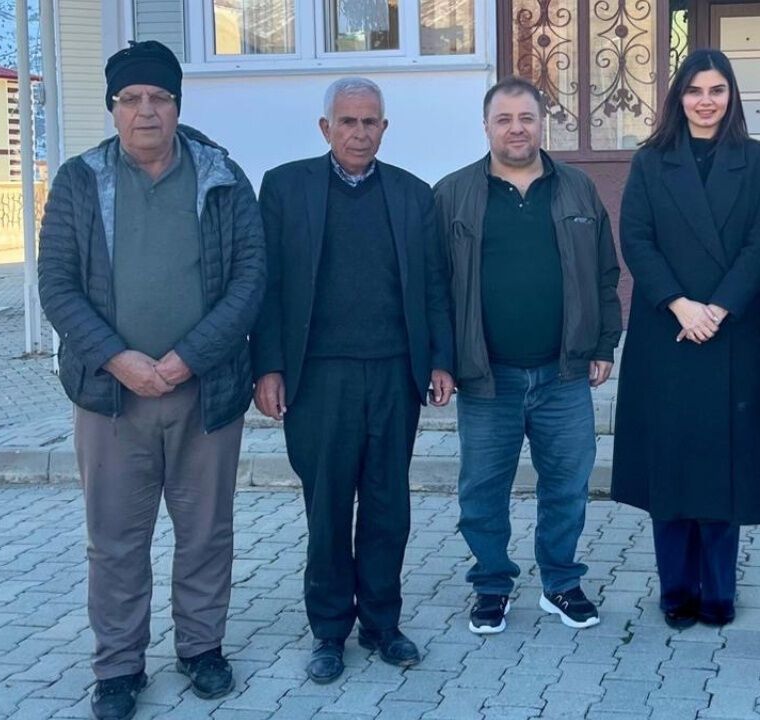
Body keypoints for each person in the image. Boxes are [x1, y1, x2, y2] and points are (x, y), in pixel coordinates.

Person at [38, 40, 265, 720]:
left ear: (177, 105)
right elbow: (57, 285)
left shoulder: (222, 177)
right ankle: (118, 666)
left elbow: (250, 278)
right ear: (113, 108)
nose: (146, 111)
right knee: (115, 540)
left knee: (206, 531)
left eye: (159, 98)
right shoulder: (80, 180)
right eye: (131, 99)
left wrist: (188, 356)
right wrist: (119, 358)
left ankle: (201, 648)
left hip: (205, 392)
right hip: (110, 397)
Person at [250, 78, 455, 682]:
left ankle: (383, 623)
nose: (359, 133)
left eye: (370, 122)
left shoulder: (413, 195)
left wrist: (440, 359)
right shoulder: (285, 189)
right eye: (347, 121)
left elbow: (434, 284)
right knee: (329, 507)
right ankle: (329, 630)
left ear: (384, 129)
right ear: (326, 128)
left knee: (389, 506)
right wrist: (267, 366)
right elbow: (267, 286)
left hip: (394, 374)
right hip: (318, 379)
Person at [433, 77, 622, 635]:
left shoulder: (578, 189)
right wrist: (440, 360)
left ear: (543, 124)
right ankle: (492, 586)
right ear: (486, 126)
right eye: (504, 119)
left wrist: (604, 343)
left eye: (526, 118)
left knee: (566, 485)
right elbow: (433, 286)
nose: (516, 129)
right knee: (482, 491)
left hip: (563, 373)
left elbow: (605, 273)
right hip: (485, 377)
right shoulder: (452, 194)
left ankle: (560, 582)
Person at [610, 49, 760, 629]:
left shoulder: (757, 162)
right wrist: (681, 304)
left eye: (717, 90)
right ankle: (676, 587)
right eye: (694, 90)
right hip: (668, 331)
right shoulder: (650, 160)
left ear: (732, 96)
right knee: (671, 463)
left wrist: (719, 308)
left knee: (722, 466)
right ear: (678, 97)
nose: (706, 102)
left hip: (732, 332)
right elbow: (636, 239)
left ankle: (719, 590)